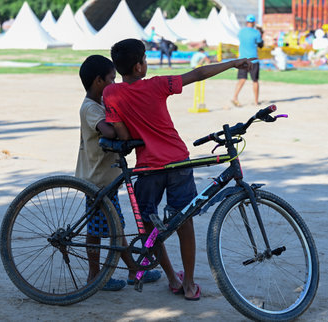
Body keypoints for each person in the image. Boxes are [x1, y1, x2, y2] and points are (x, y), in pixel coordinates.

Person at [103, 38, 254, 300]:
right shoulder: (158, 84)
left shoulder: (111, 93)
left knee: (150, 227)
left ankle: (172, 278)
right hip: (177, 162)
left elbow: (122, 132)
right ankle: (189, 284)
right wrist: (233, 64)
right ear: (139, 67)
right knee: (184, 222)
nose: (147, 63)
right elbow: (198, 74)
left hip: (147, 167)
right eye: (145, 60)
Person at [75, 55, 161, 291]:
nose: (115, 82)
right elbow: (108, 131)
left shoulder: (99, 104)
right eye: (112, 78)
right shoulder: (90, 108)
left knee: (111, 228)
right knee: (106, 230)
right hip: (97, 180)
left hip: (104, 179)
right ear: (99, 81)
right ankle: (97, 276)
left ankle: (132, 269)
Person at [232, 14, 263, 107]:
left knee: (242, 79)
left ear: (246, 22)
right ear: (253, 23)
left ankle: (235, 97)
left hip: (242, 60)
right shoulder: (256, 33)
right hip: (253, 60)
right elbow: (261, 44)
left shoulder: (241, 32)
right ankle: (256, 101)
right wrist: (260, 31)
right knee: (255, 81)